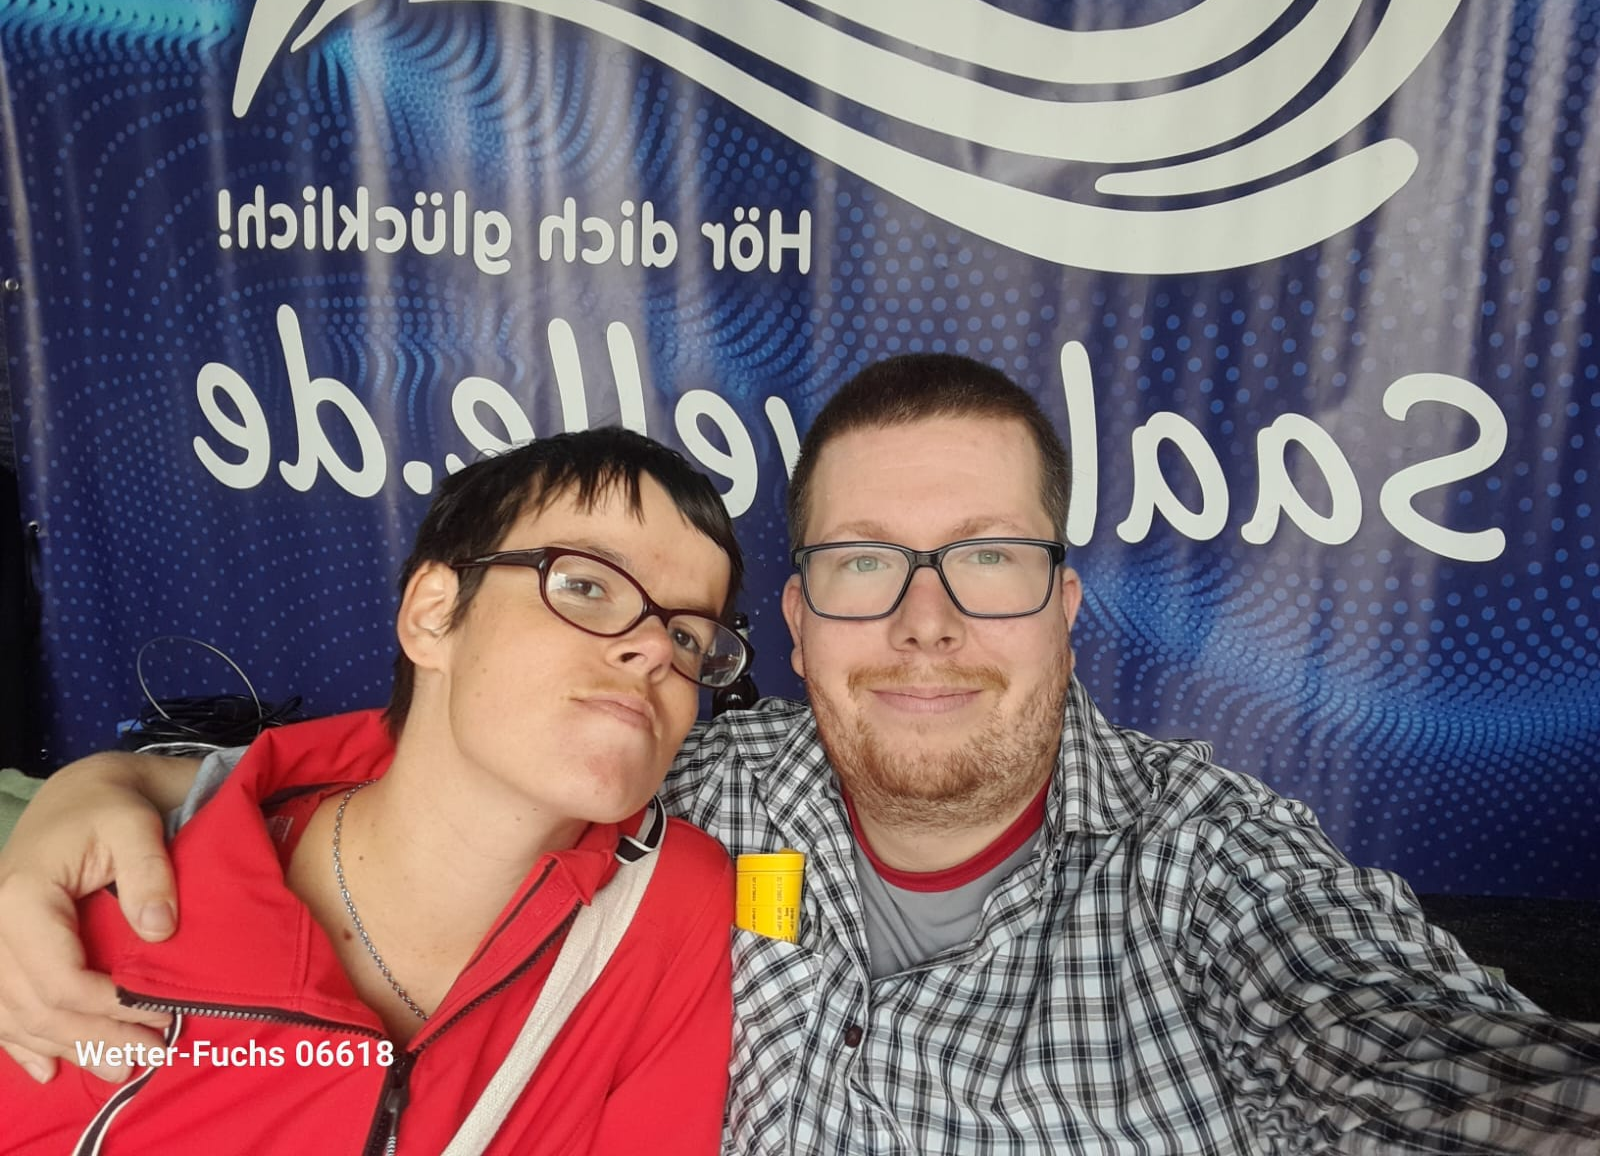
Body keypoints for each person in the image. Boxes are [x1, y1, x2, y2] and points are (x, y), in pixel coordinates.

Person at [4, 354, 1599, 1155]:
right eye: (861, 565)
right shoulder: (694, 784)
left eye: (989, 560)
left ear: (1065, 606)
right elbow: (466, 748)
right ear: (795, 616)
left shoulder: (1210, 861)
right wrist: (124, 789)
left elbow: (1415, 1052)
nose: (924, 623)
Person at [0, 427, 749, 1154]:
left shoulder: (675, 903)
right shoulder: (108, 917)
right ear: (434, 615)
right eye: (585, 585)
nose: (655, 648)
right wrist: (92, 785)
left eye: (689, 636)